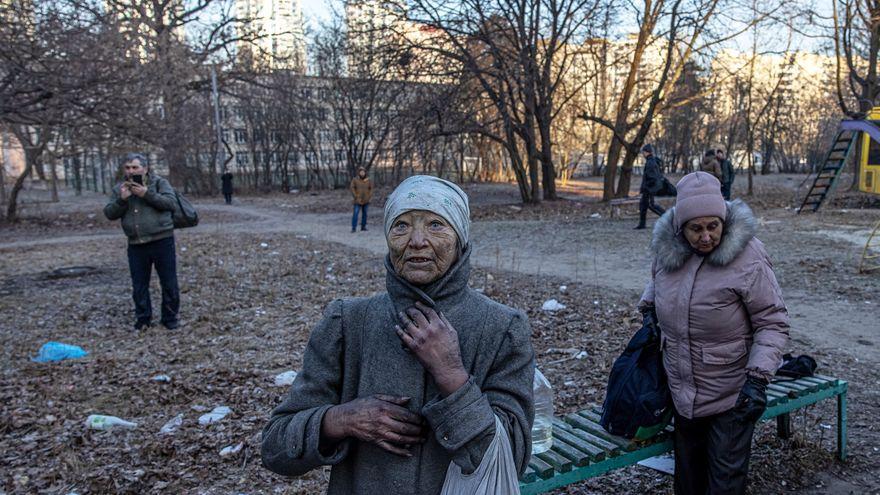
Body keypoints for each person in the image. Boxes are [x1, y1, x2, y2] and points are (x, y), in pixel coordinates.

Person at [261, 175, 535, 494]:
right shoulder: (347, 322)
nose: (417, 240)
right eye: (401, 225)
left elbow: (511, 460)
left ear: (460, 238)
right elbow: (275, 447)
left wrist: (451, 374)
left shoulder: (501, 328)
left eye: (435, 224)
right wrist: (341, 420)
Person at [639, 171, 789, 494]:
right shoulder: (667, 255)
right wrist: (649, 312)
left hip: (732, 396)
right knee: (688, 484)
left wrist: (757, 380)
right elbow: (656, 289)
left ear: (723, 221)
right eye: (696, 228)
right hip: (683, 394)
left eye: (713, 226)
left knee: (723, 486)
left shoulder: (749, 257)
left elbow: (772, 321)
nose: (705, 236)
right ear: (681, 229)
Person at [103, 153, 181, 330]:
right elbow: (109, 213)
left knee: (168, 281)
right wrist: (122, 200)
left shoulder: (159, 183)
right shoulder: (119, 188)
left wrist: (147, 194)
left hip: (162, 240)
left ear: (145, 169)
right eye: (128, 168)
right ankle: (143, 318)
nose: (131, 171)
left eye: (135, 167)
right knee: (139, 284)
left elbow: (171, 203)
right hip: (136, 243)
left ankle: (170, 318)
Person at [635, 143, 666, 230]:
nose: (642, 154)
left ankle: (668, 218)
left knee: (651, 205)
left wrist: (647, 188)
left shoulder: (651, 162)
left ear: (647, 152)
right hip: (648, 188)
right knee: (643, 206)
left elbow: (652, 177)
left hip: (649, 189)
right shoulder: (650, 161)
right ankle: (642, 224)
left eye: (643, 152)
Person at [350, 167, 372, 232]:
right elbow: (352, 188)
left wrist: (369, 196)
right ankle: (354, 228)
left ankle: (363, 227)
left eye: (363, 172)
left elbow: (371, 189)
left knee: (365, 214)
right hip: (358, 200)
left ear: (365, 173)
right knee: (355, 214)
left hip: (366, 200)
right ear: (359, 173)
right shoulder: (355, 180)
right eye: (361, 172)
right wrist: (356, 196)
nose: (362, 173)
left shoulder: (368, 180)